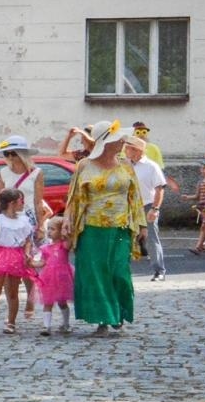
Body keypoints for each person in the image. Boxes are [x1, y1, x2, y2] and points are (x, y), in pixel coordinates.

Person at [64, 121, 145, 337]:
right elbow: (73, 197)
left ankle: (117, 312)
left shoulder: (126, 165)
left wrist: (142, 224)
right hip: (91, 229)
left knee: (120, 273)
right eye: (117, 140)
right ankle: (104, 319)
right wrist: (67, 220)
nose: (121, 142)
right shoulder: (84, 166)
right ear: (105, 143)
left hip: (120, 228)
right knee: (96, 275)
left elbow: (135, 196)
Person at [0, 135, 49, 320]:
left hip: (28, 219)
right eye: (6, 153)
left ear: (21, 154)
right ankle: (13, 304)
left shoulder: (36, 173)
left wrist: (40, 225)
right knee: (10, 263)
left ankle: (30, 301)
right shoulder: (3, 172)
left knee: (27, 262)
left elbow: (37, 200)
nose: (9, 157)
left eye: (12, 153)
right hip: (9, 220)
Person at [0, 188, 37, 334]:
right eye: (21, 201)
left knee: (13, 292)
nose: (23, 203)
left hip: (16, 256)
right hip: (1, 255)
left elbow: (27, 240)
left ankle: (11, 322)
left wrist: (26, 253)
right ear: (12, 203)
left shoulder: (23, 221)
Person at [124, 135, 168, 281]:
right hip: (129, 206)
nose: (125, 150)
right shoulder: (124, 165)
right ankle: (123, 270)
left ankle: (159, 271)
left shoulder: (151, 166)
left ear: (136, 150)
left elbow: (160, 188)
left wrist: (155, 209)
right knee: (124, 238)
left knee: (151, 238)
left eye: (127, 148)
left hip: (147, 205)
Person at [36, 218, 75, 336]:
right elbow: (42, 262)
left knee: (62, 302)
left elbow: (70, 242)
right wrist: (31, 263)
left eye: (52, 229)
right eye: (48, 229)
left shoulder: (64, 245)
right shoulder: (45, 248)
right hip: (48, 278)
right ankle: (46, 326)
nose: (49, 232)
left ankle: (66, 324)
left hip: (62, 278)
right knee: (48, 302)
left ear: (60, 231)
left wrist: (66, 232)